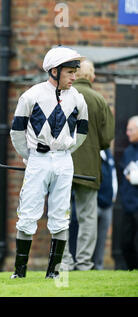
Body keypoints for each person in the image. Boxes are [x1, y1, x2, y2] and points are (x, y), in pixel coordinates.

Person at [9, 46, 88, 279]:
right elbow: (17, 132)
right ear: (55, 71)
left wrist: (65, 150)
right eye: (70, 72)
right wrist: (30, 156)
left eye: (76, 71)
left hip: (64, 161)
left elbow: (82, 132)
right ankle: (19, 272)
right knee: (28, 213)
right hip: (38, 159)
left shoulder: (77, 98)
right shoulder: (31, 95)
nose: (75, 76)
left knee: (61, 215)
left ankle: (53, 273)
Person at [61, 60, 115, 271]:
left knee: (61, 214)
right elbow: (106, 139)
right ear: (92, 77)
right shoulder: (99, 100)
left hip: (61, 165)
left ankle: (64, 261)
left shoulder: (61, 97)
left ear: (74, 75)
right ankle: (84, 263)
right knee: (87, 216)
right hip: (89, 168)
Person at [118, 115, 138, 270]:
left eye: (130, 130)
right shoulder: (128, 152)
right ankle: (132, 270)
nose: (127, 133)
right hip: (128, 206)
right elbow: (125, 175)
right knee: (125, 242)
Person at [92, 148, 117, 270]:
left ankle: (99, 266)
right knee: (90, 237)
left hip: (108, 204)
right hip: (95, 202)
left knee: (102, 239)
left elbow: (113, 176)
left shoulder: (108, 154)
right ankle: (87, 265)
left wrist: (113, 196)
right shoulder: (94, 153)